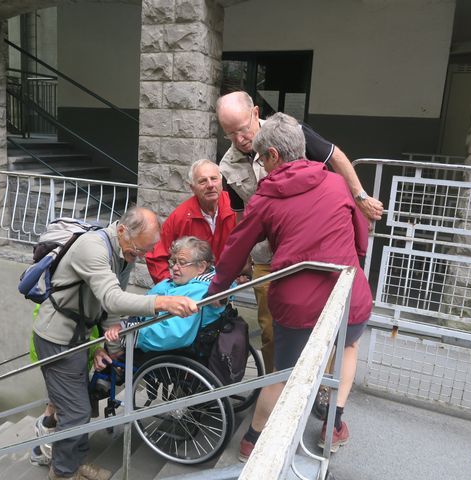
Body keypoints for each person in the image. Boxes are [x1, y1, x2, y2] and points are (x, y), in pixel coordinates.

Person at [206, 112, 373, 460]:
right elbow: (361, 237)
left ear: (273, 157)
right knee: (347, 348)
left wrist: (215, 292)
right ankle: (333, 424)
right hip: (349, 294)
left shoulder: (265, 200)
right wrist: (350, 264)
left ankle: (253, 439)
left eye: (261, 158)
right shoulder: (335, 183)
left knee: (284, 373)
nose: (260, 166)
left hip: (298, 306)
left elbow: (237, 250)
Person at [32, 207, 198, 480]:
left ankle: (72, 465)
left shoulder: (122, 252)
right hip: (56, 338)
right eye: (137, 251)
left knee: (80, 407)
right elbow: (110, 298)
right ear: (122, 231)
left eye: (144, 251)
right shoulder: (92, 248)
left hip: (80, 337)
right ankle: (62, 474)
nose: (139, 257)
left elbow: (109, 308)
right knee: (75, 412)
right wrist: (162, 302)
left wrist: (110, 349)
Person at [104, 236, 225, 352]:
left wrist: (129, 331)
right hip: (137, 329)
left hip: (151, 347)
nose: (175, 268)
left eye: (182, 262)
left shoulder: (197, 291)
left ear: (201, 267)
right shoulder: (180, 282)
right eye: (174, 262)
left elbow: (173, 333)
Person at [145, 159, 236, 285]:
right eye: (202, 181)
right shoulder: (180, 216)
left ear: (221, 182)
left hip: (229, 284)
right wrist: (170, 286)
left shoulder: (237, 207)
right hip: (192, 291)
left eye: (214, 179)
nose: (210, 185)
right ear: (192, 188)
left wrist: (245, 270)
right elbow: (155, 256)